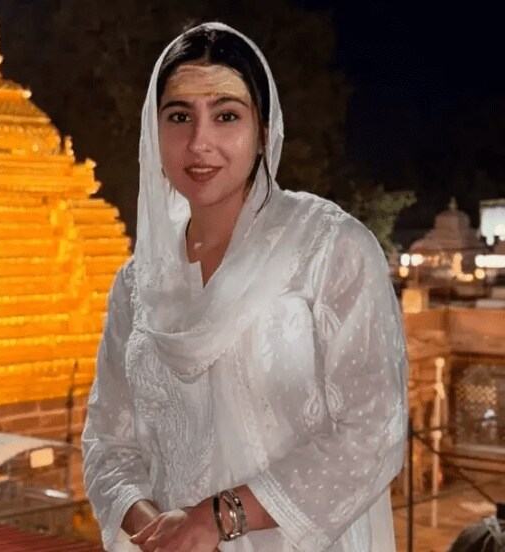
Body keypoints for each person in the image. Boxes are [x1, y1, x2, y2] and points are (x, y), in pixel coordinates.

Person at [82, 21, 408, 552]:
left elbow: (372, 434)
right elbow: (106, 441)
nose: (199, 142)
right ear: (153, 130)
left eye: (226, 115)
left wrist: (214, 520)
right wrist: (158, 532)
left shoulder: (329, 249)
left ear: (262, 131)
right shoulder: (137, 284)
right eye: (179, 116)